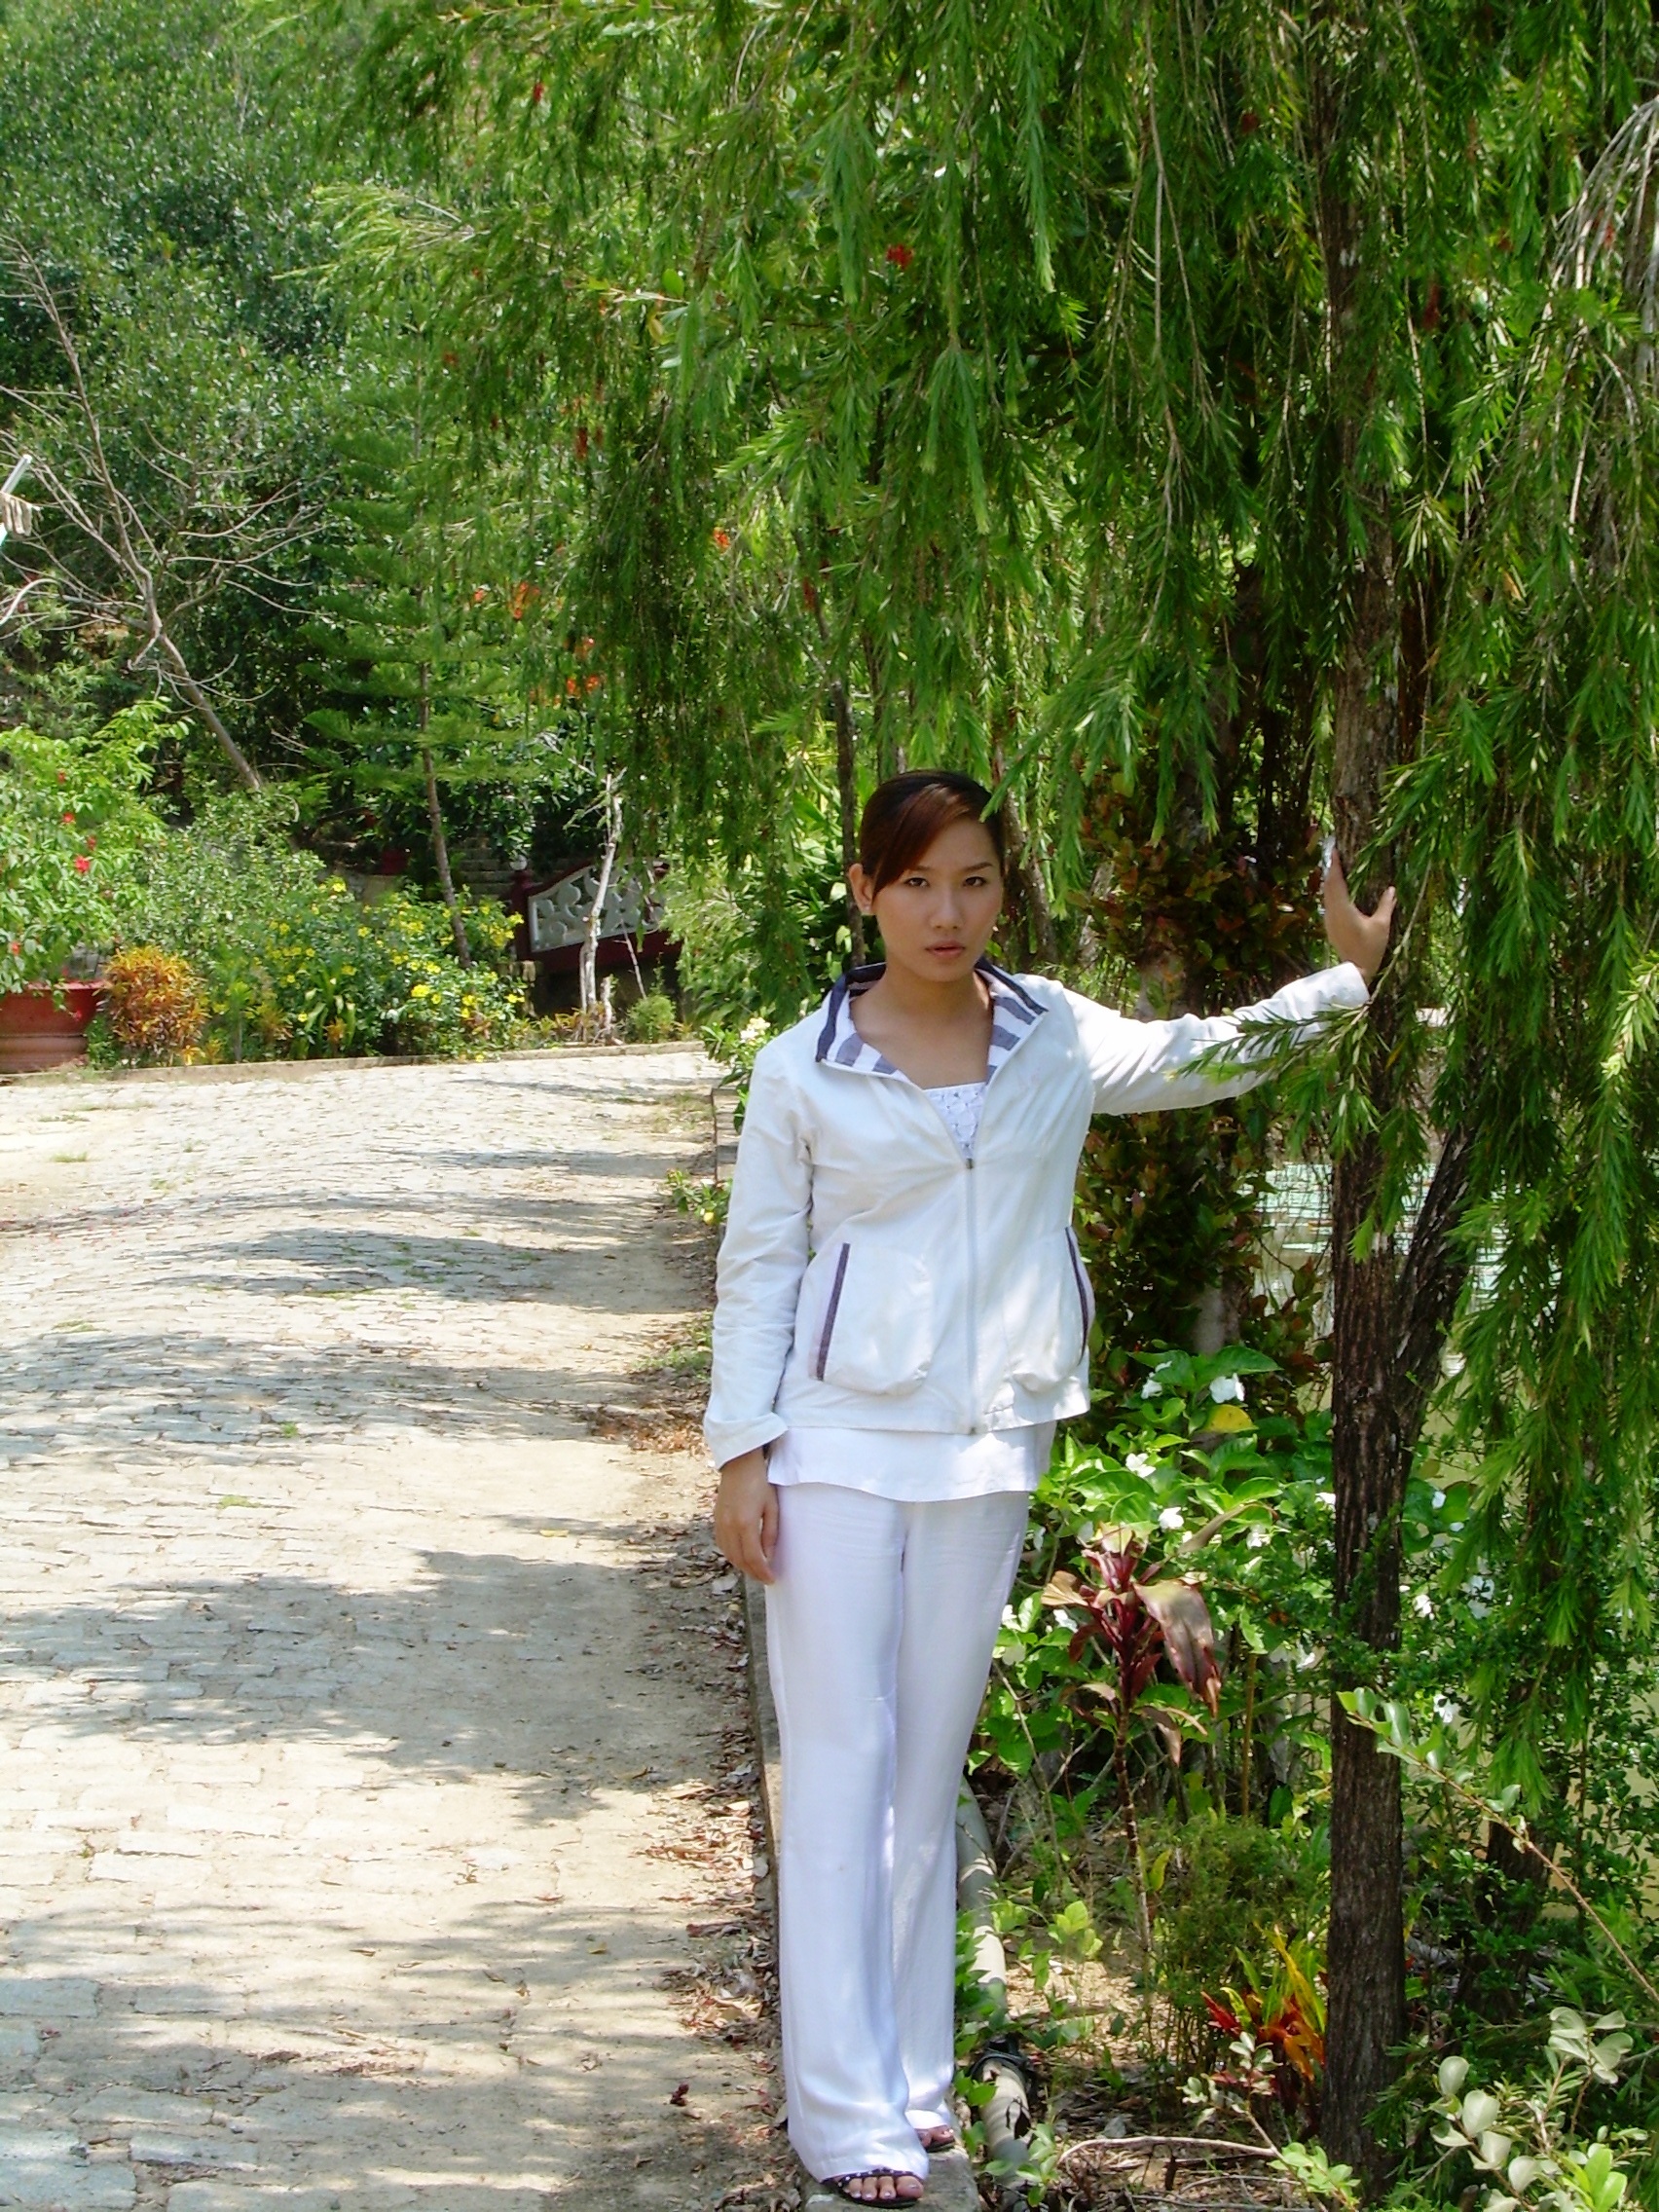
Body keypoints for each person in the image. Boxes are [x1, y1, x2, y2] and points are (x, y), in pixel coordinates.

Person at [705, 771, 1393, 2203]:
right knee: (838, 1768)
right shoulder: (800, 1067)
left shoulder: (1052, 1035)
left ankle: (913, 2083)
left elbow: (1206, 1053)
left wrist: (1348, 980)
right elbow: (760, 1264)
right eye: (915, 883)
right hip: (834, 1444)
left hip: (987, 1440)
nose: (944, 911)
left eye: (972, 880)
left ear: (1002, 888)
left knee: (921, 1768)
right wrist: (740, 1453)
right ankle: (839, 2113)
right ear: (867, 892)